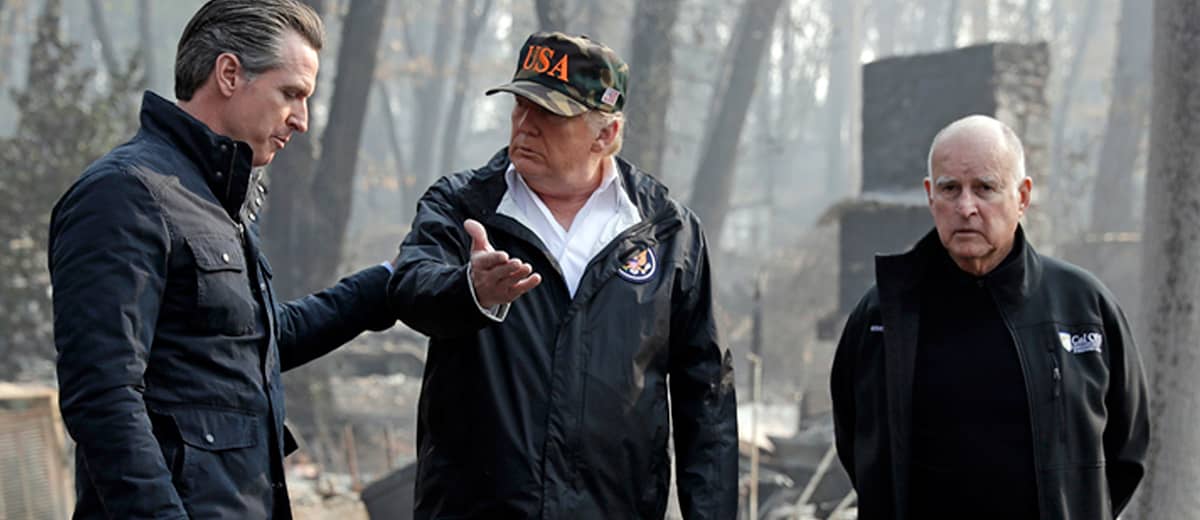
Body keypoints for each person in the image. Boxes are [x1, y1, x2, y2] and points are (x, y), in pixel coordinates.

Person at [48, 1, 396, 517]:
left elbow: (255, 338)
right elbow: (103, 395)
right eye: (291, 94)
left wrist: (390, 284)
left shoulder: (215, 202)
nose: (301, 120)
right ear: (230, 73)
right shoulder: (125, 195)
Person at [388, 32, 738, 519]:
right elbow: (409, 290)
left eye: (549, 114)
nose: (525, 126)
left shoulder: (667, 232)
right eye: (519, 106)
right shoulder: (463, 206)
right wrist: (469, 290)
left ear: (606, 135)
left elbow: (707, 399)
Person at [830, 115, 1149, 519]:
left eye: (985, 188)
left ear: (1022, 196)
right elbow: (857, 440)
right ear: (930, 196)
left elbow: (1126, 447)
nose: (966, 207)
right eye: (950, 189)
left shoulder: (1083, 308)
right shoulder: (883, 316)